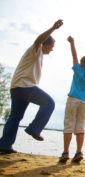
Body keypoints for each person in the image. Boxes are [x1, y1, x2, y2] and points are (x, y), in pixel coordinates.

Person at [0, 20, 63, 154]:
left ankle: (4, 145)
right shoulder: (36, 49)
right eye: (51, 46)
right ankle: (34, 128)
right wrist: (52, 28)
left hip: (16, 87)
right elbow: (39, 40)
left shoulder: (38, 54)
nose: (52, 49)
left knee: (15, 117)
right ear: (45, 44)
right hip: (25, 87)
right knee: (49, 103)